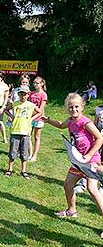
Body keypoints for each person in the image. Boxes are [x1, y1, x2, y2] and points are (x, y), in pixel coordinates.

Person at [42, 93, 103, 238]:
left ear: (82, 107)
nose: (73, 109)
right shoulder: (70, 121)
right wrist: (48, 120)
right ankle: (72, 210)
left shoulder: (85, 122)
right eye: (70, 107)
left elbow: (100, 139)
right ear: (67, 108)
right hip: (78, 162)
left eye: (76, 106)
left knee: (92, 190)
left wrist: (89, 155)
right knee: (68, 185)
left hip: (90, 161)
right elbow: (61, 125)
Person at [4, 85, 41, 179]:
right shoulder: (15, 103)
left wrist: (32, 118)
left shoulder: (31, 105)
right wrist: (12, 117)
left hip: (25, 132)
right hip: (15, 130)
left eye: (24, 94)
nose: (22, 96)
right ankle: (10, 169)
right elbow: (6, 109)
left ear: (28, 95)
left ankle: (24, 170)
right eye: (20, 94)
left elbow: (40, 112)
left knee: (24, 153)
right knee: (13, 151)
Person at [29, 76, 48, 161]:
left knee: (36, 136)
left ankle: (34, 155)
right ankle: (29, 153)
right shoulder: (31, 93)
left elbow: (41, 108)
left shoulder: (43, 95)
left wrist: (34, 115)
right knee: (28, 135)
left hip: (39, 118)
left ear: (42, 84)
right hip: (30, 117)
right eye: (34, 83)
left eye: (37, 83)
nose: (35, 85)